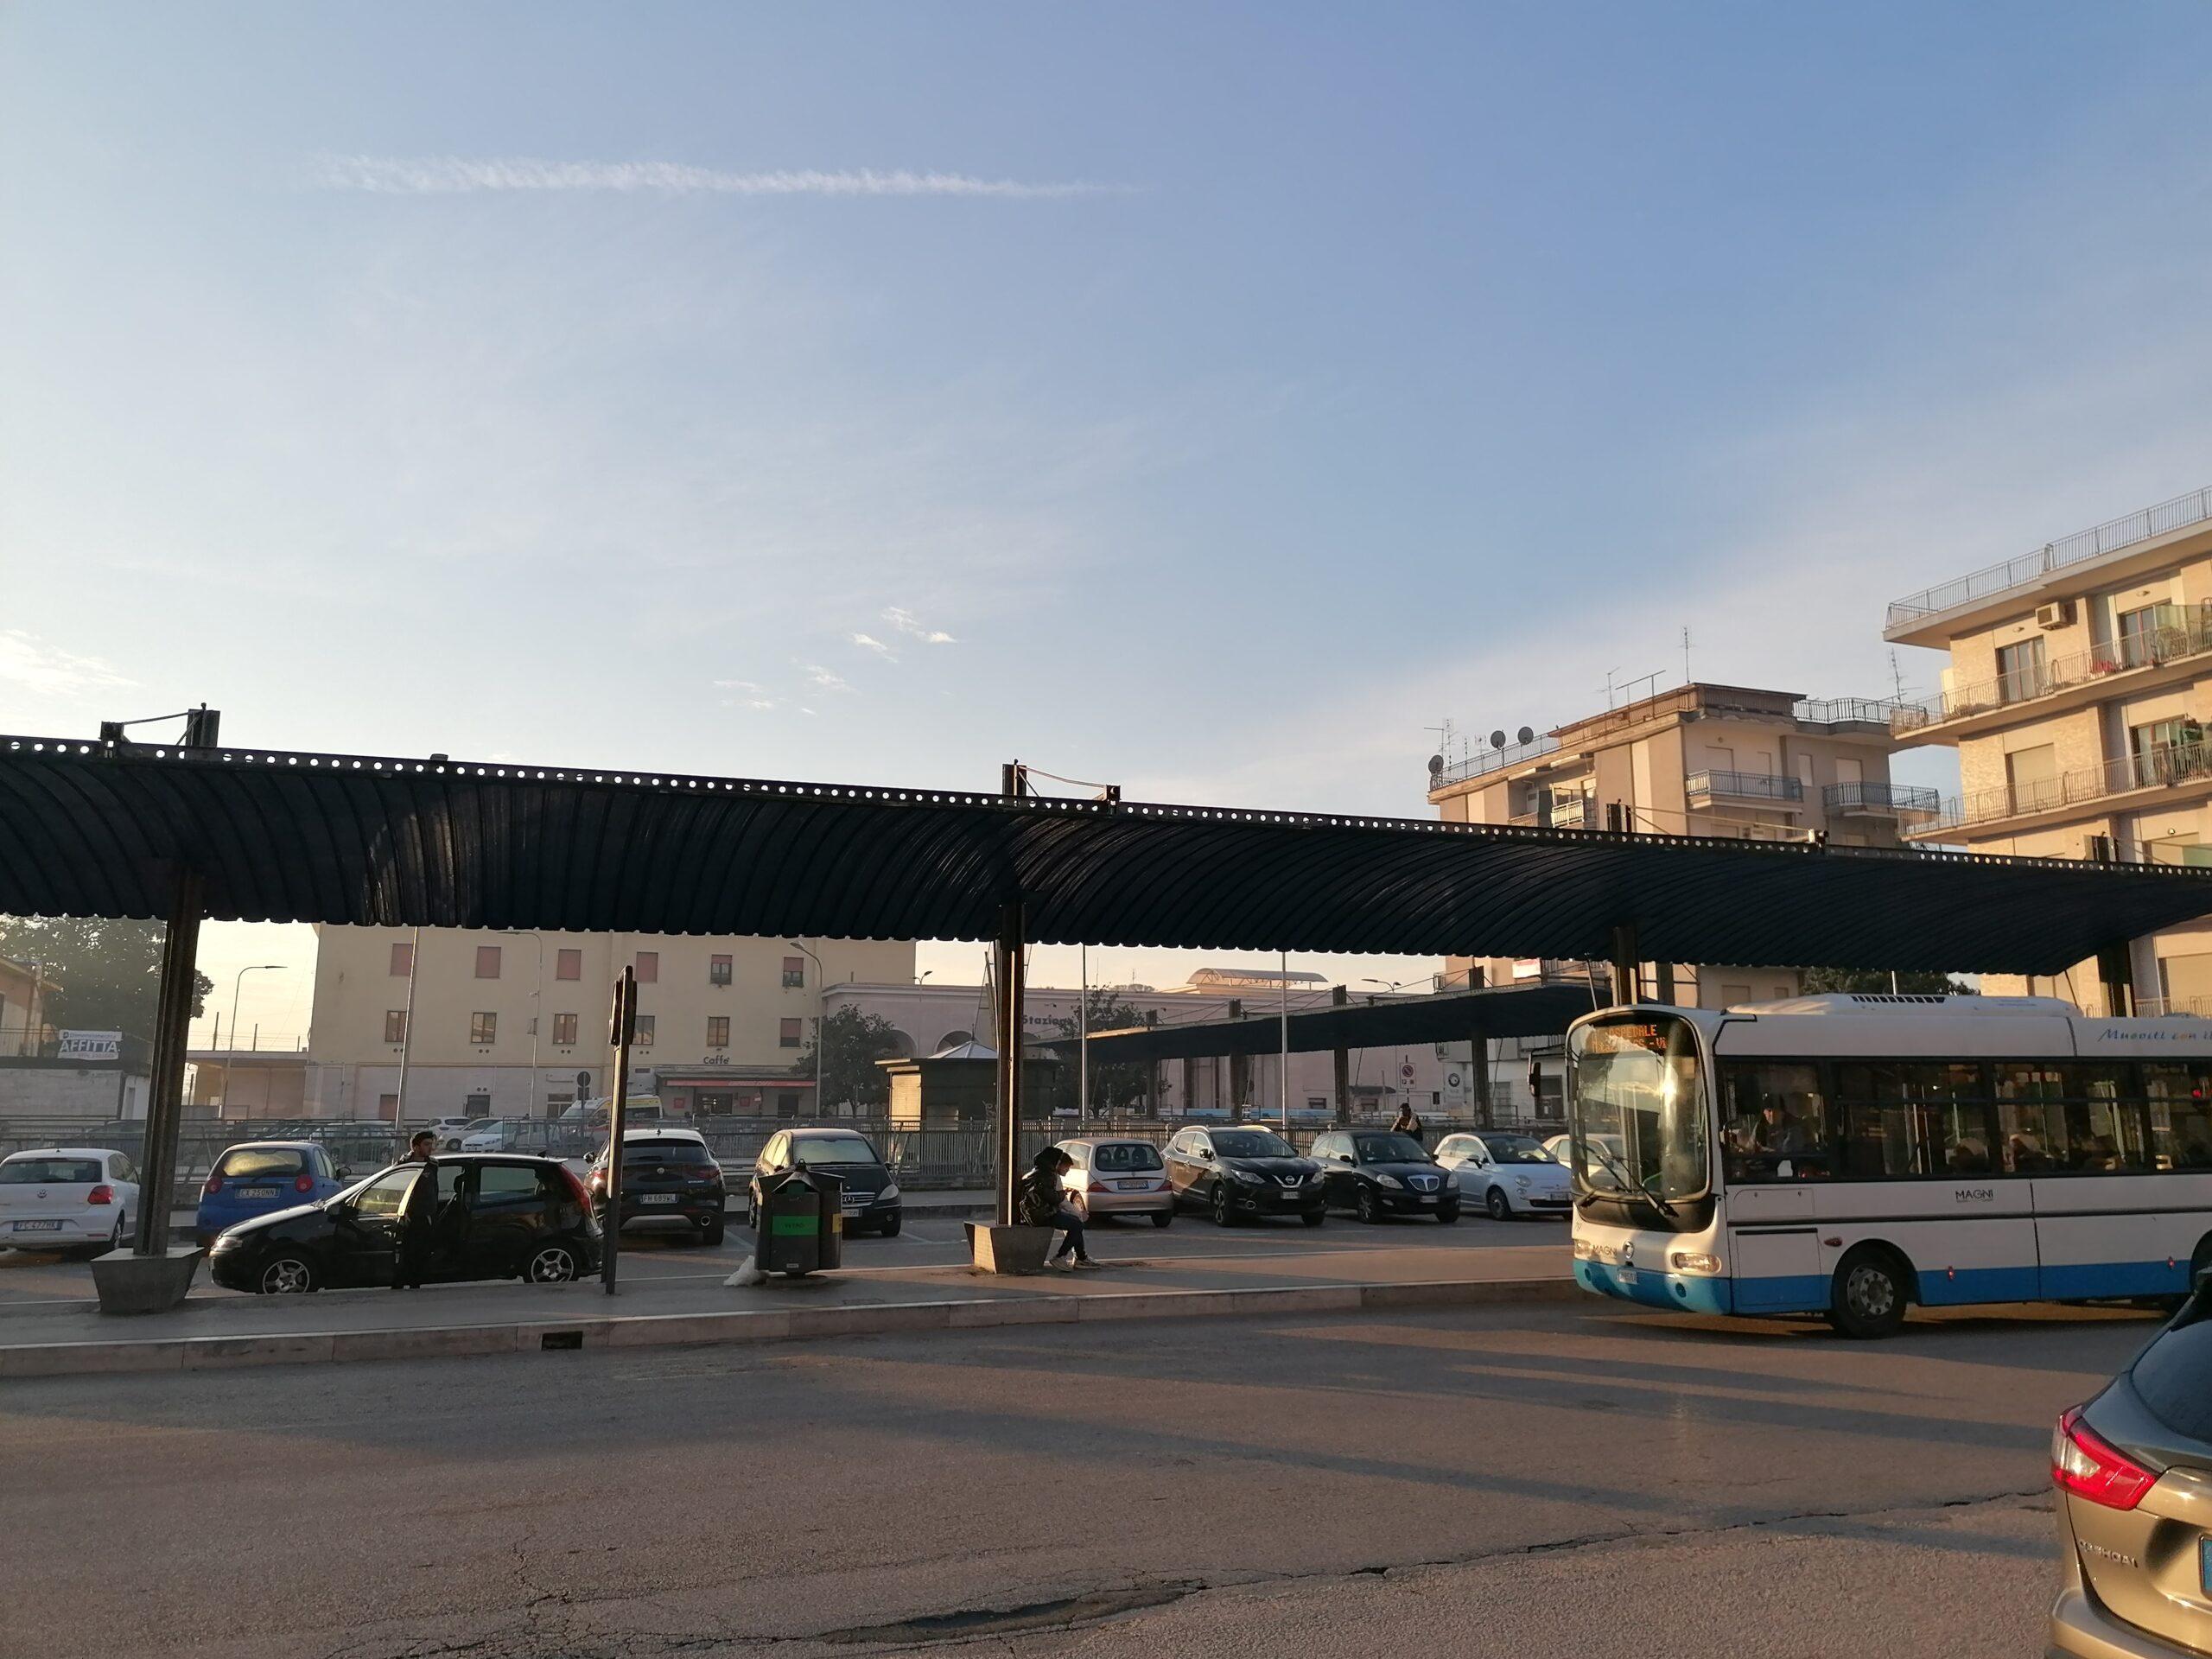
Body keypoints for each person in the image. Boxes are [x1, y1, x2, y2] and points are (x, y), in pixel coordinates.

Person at [1020, 1147, 1099, 1270]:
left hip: (1037, 1212)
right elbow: (1055, 1198)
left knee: (1075, 1223)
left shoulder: (1037, 1172)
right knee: (1077, 1224)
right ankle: (1062, 1257)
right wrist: (1064, 1196)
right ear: (1055, 1162)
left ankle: (1080, 1257)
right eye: (1065, 1167)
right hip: (1043, 1214)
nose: (1067, 1170)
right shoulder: (1049, 1176)